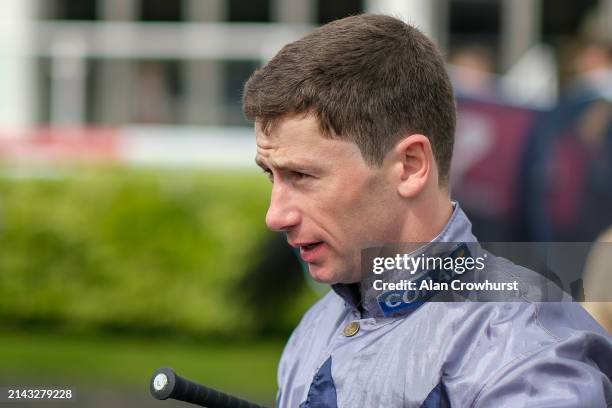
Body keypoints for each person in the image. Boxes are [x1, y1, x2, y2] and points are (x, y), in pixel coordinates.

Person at [242, 14, 612, 407]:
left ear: (411, 165)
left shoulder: (524, 354)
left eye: (301, 175)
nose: (275, 216)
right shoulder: (317, 327)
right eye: (271, 175)